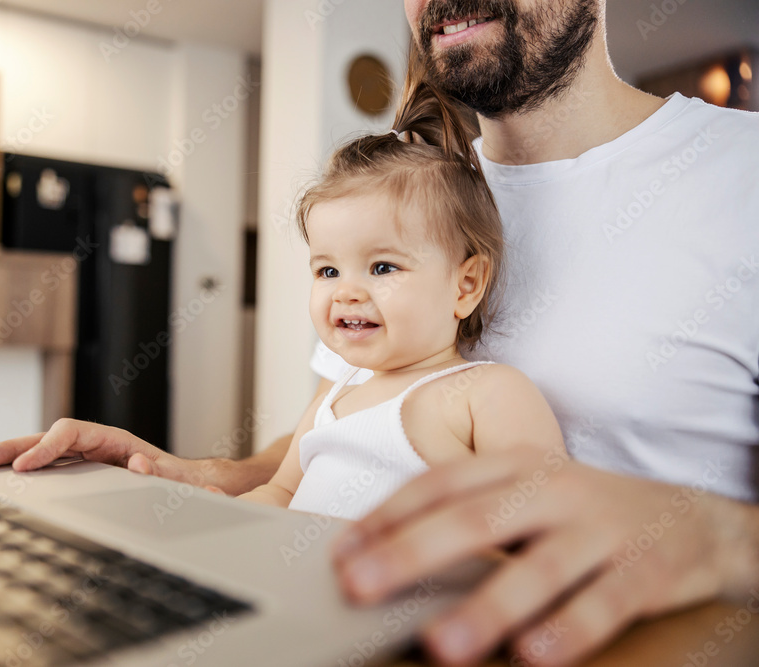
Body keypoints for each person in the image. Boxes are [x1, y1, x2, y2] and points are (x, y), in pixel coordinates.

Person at [0, 0, 759, 664]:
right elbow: (326, 436)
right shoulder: (416, 194)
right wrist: (195, 477)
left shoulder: (742, 176)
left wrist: (722, 537)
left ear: (469, 283)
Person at [235, 80, 565, 518]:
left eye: (383, 268)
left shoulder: (485, 393)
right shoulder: (336, 396)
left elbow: (544, 521)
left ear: (465, 286)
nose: (347, 293)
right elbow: (278, 493)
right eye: (328, 271)